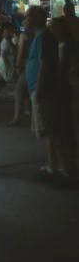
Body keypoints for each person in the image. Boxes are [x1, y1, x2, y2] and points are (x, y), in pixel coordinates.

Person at [24, 6, 74, 188]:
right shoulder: (39, 36)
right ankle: (54, 167)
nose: (26, 18)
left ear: (39, 18)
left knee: (52, 130)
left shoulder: (44, 36)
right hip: (42, 90)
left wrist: (38, 88)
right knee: (47, 132)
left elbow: (44, 65)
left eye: (30, 16)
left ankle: (66, 171)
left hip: (45, 92)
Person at [49, 17, 77, 178]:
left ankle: (69, 165)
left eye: (53, 27)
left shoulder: (63, 46)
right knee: (63, 126)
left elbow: (59, 69)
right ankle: (68, 163)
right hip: (62, 87)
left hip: (60, 88)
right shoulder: (63, 44)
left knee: (63, 127)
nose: (50, 29)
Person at [7, 21, 34, 126]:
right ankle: (28, 112)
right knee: (27, 90)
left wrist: (17, 65)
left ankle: (17, 117)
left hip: (27, 62)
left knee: (18, 90)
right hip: (36, 63)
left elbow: (20, 51)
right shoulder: (39, 33)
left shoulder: (24, 35)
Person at [0, 23, 16, 101]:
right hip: (6, 63)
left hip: (7, 62)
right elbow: (4, 54)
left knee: (3, 79)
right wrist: (6, 65)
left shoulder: (8, 40)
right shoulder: (6, 41)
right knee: (4, 79)